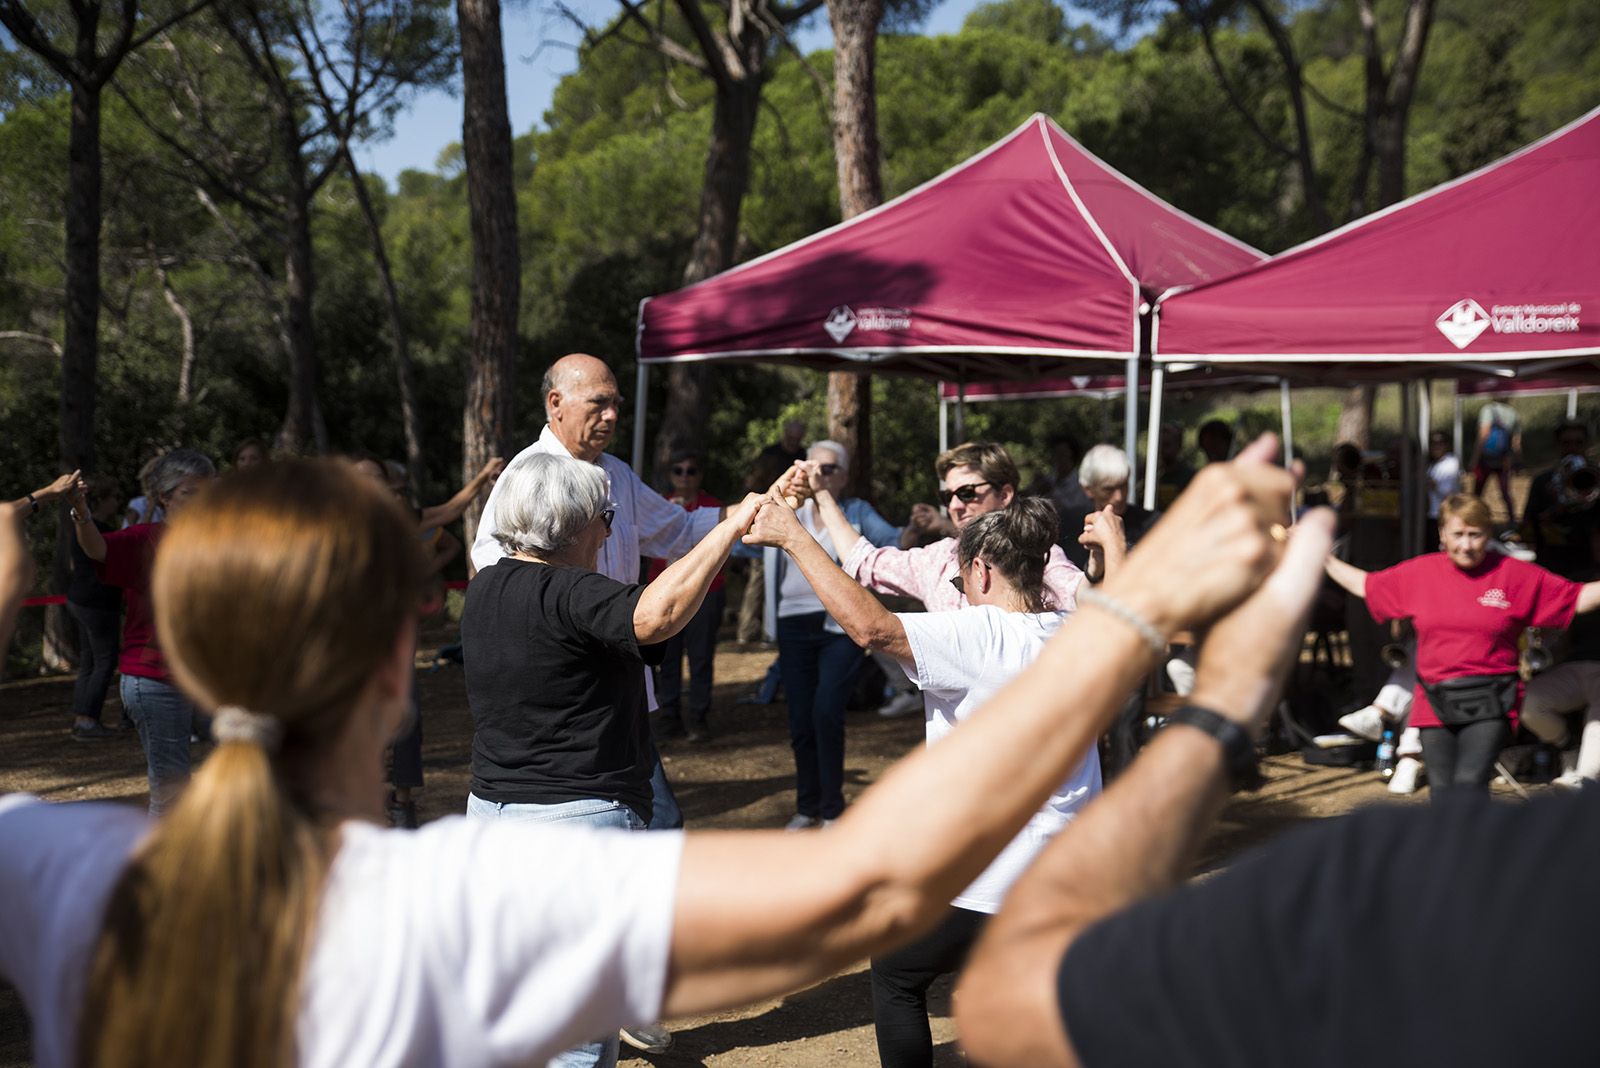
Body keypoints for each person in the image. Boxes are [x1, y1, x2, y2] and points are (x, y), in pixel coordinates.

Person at [0, 447, 1297, 1068]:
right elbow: (875, 882)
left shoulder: (54, 864)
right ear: (397, 665)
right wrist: (1162, 635)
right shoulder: (465, 902)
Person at [752, 494, 1097, 1068]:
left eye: (960, 581)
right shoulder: (1079, 632)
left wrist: (794, 538)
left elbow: (870, 628)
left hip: (995, 881)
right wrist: (1110, 547)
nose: (959, 593)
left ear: (982, 569)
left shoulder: (980, 633)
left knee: (896, 973)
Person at [466, 451, 760, 1067]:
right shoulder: (574, 592)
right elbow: (657, 615)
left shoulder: (489, 584)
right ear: (574, 524)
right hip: (571, 827)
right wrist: (727, 529)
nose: (608, 531)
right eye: (605, 517)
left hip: (493, 818)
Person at [1324, 493, 1600, 794]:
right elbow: (1366, 585)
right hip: (1434, 702)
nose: (1466, 545)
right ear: (1442, 534)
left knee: (1469, 784)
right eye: (1458, 535)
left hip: (1492, 700)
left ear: (1488, 534)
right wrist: (1321, 558)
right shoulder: (1421, 572)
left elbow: (1576, 598)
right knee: (1442, 792)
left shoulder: (1513, 574)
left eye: (1475, 535)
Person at [65, 448, 216, 815]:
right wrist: (81, 512)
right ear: (164, 497)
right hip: (153, 679)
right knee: (171, 787)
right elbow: (96, 548)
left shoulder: (217, 541)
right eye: (188, 492)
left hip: (198, 676)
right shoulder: (145, 537)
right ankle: (163, 869)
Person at [766, 441, 901, 828]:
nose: (817, 475)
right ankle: (807, 806)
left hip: (840, 625)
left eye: (827, 469)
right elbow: (747, 542)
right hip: (793, 622)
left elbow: (892, 541)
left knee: (827, 711)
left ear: (842, 475)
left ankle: (832, 810)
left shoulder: (855, 512)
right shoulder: (787, 509)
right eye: (812, 467)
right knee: (800, 719)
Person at [846, 441, 1082, 614]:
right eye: (947, 496)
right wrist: (824, 498)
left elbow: (1082, 597)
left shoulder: (1036, 555)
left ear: (1005, 494)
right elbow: (865, 561)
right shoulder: (937, 558)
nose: (955, 506)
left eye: (967, 493)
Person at [647, 449, 725, 742]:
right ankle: (669, 716)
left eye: (690, 471)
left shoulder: (713, 508)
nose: (684, 477)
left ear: (699, 476)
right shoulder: (658, 507)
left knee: (701, 656)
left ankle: (698, 717)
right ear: (670, 476)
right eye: (678, 471)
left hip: (707, 591)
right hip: (664, 592)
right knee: (667, 657)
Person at [65, 473, 125, 740]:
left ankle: (83, 718)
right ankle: (88, 721)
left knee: (89, 662)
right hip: (97, 602)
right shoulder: (100, 530)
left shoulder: (80, 527)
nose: (117, 503)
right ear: (103, 500)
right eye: (115, 498)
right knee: (104, 661)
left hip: (79, 599)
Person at [1058, 445, 1157, 577]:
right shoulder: (1066, 523)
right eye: (1108, 489)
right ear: (1088, 489)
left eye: (1123, 485)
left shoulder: (1154, 524)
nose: (1119, 496)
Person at [1519, 421, 1598, 581]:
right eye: (1566, 443)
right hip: (1553, 566)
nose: (1573, 448)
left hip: (1590, 566)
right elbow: (1527, 528)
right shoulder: (1543, 481)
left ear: (1586, 445)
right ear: (1558, 445)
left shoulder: (1596, 478)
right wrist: (1555, 508)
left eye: (1579, 443)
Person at [1520, 658, 1600, 788]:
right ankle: (1569, 746)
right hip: (1571, 664)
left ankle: (1585, 779)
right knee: (1527, 702)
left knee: (1597, 718)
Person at [1471, 398, 1521, 513]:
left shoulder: (1488, 409)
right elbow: (1516, 442)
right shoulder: (1513, 413)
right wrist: (1518, 462)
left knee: (1478, 490)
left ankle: (1472, 514)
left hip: (1486, 458)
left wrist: (1474, 459)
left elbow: (1483, 435)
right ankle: (1512, 519)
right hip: (1504, 459)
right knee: (1505, 491)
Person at [1425, 429, 1461, 548]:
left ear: (1447, 445)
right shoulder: (1431, 463)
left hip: (1441, 513)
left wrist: (1432, 484)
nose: (1436, 447)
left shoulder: (1451, 464)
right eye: (1433, 443)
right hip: (1430, 513)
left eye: (1440, 443)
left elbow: (1447, 493)